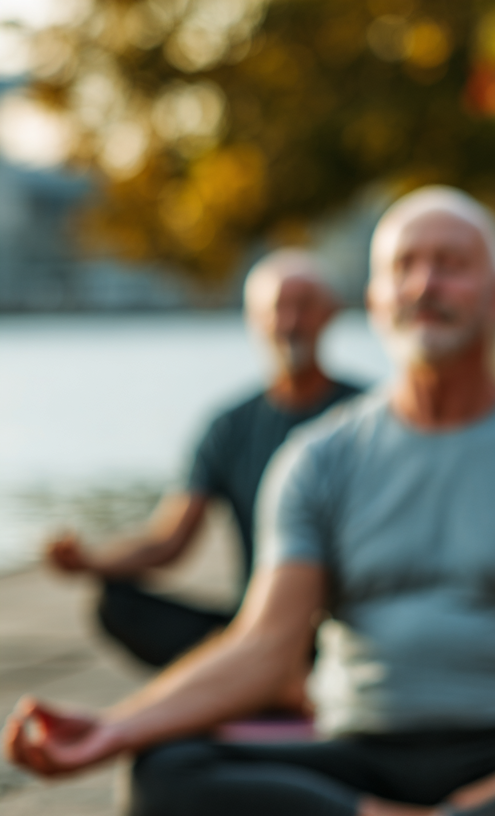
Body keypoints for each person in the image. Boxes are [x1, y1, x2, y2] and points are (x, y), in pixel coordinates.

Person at [3, 186, 495, 816]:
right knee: (165, 772)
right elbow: (265, 645)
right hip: (361, 749)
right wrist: (116, 727)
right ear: (375, 299)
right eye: (403, 267)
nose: (424, 284)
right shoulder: (319, 459)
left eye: (450, 264)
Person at [43, 249, 361, 669]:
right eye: (277, 308)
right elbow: (169, 539)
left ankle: (259, 679)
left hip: (348, 625)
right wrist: (91, 562)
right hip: (256, 624)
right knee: (119, 602)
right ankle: (252, 675)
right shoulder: (230, 426)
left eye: (303, 306)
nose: (289, 322)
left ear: (329, 313)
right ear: (253, 319)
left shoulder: (367, 418)